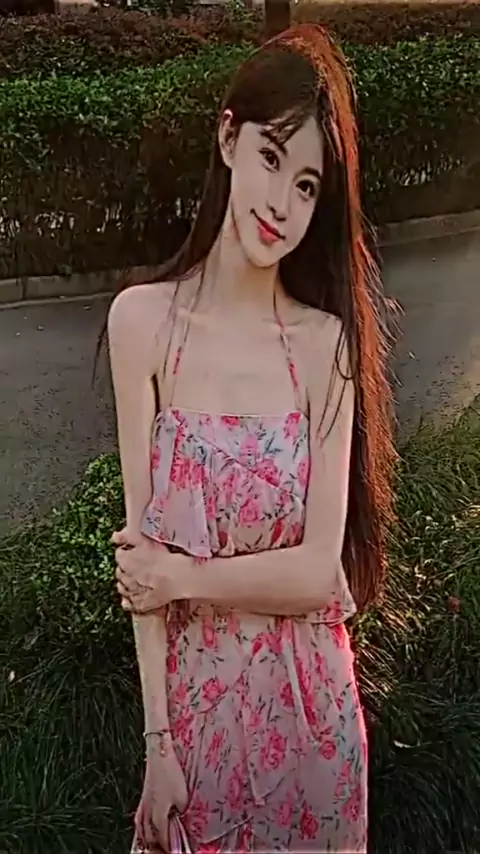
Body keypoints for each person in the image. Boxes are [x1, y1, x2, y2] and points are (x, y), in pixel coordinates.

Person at [108, 22, 396, 854]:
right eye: (272, 158)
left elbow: (316, 573)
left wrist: (185, 576)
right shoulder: (143, 326)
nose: (282, 204)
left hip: (311, 724)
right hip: (193, 728)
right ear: (229, 139)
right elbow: (140, 564)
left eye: (306, 185)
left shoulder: (323, 347)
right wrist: (157, 747)